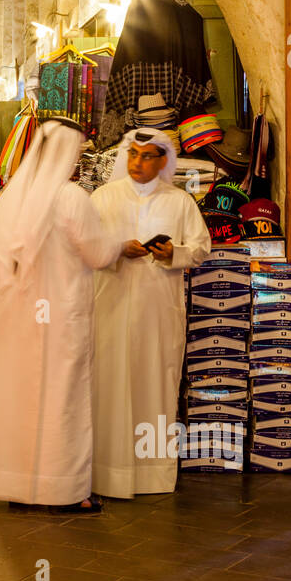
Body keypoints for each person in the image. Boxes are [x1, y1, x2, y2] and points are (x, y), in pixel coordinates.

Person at [0, 118, 120, 511]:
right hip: (60, 318)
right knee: (62, 400)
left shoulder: (11, 200)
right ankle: (63, 491)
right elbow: (98, 253)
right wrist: (120, 244)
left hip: (17, 322)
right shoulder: (71, 198)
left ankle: (18, 487)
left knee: (19, 398)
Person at [90, 127, 211, 500]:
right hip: (110, 307)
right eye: (132, 155)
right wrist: (115, 249)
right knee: (109, 385)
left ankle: (153, 474)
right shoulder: (102, 197)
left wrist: (172, 253)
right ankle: (105, 474)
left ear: (163, 161)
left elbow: (202, 248)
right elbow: (84, 246)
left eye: (146, 156)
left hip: (159, 310)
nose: (137, 163)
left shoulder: (180, 202)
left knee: (155, 383)